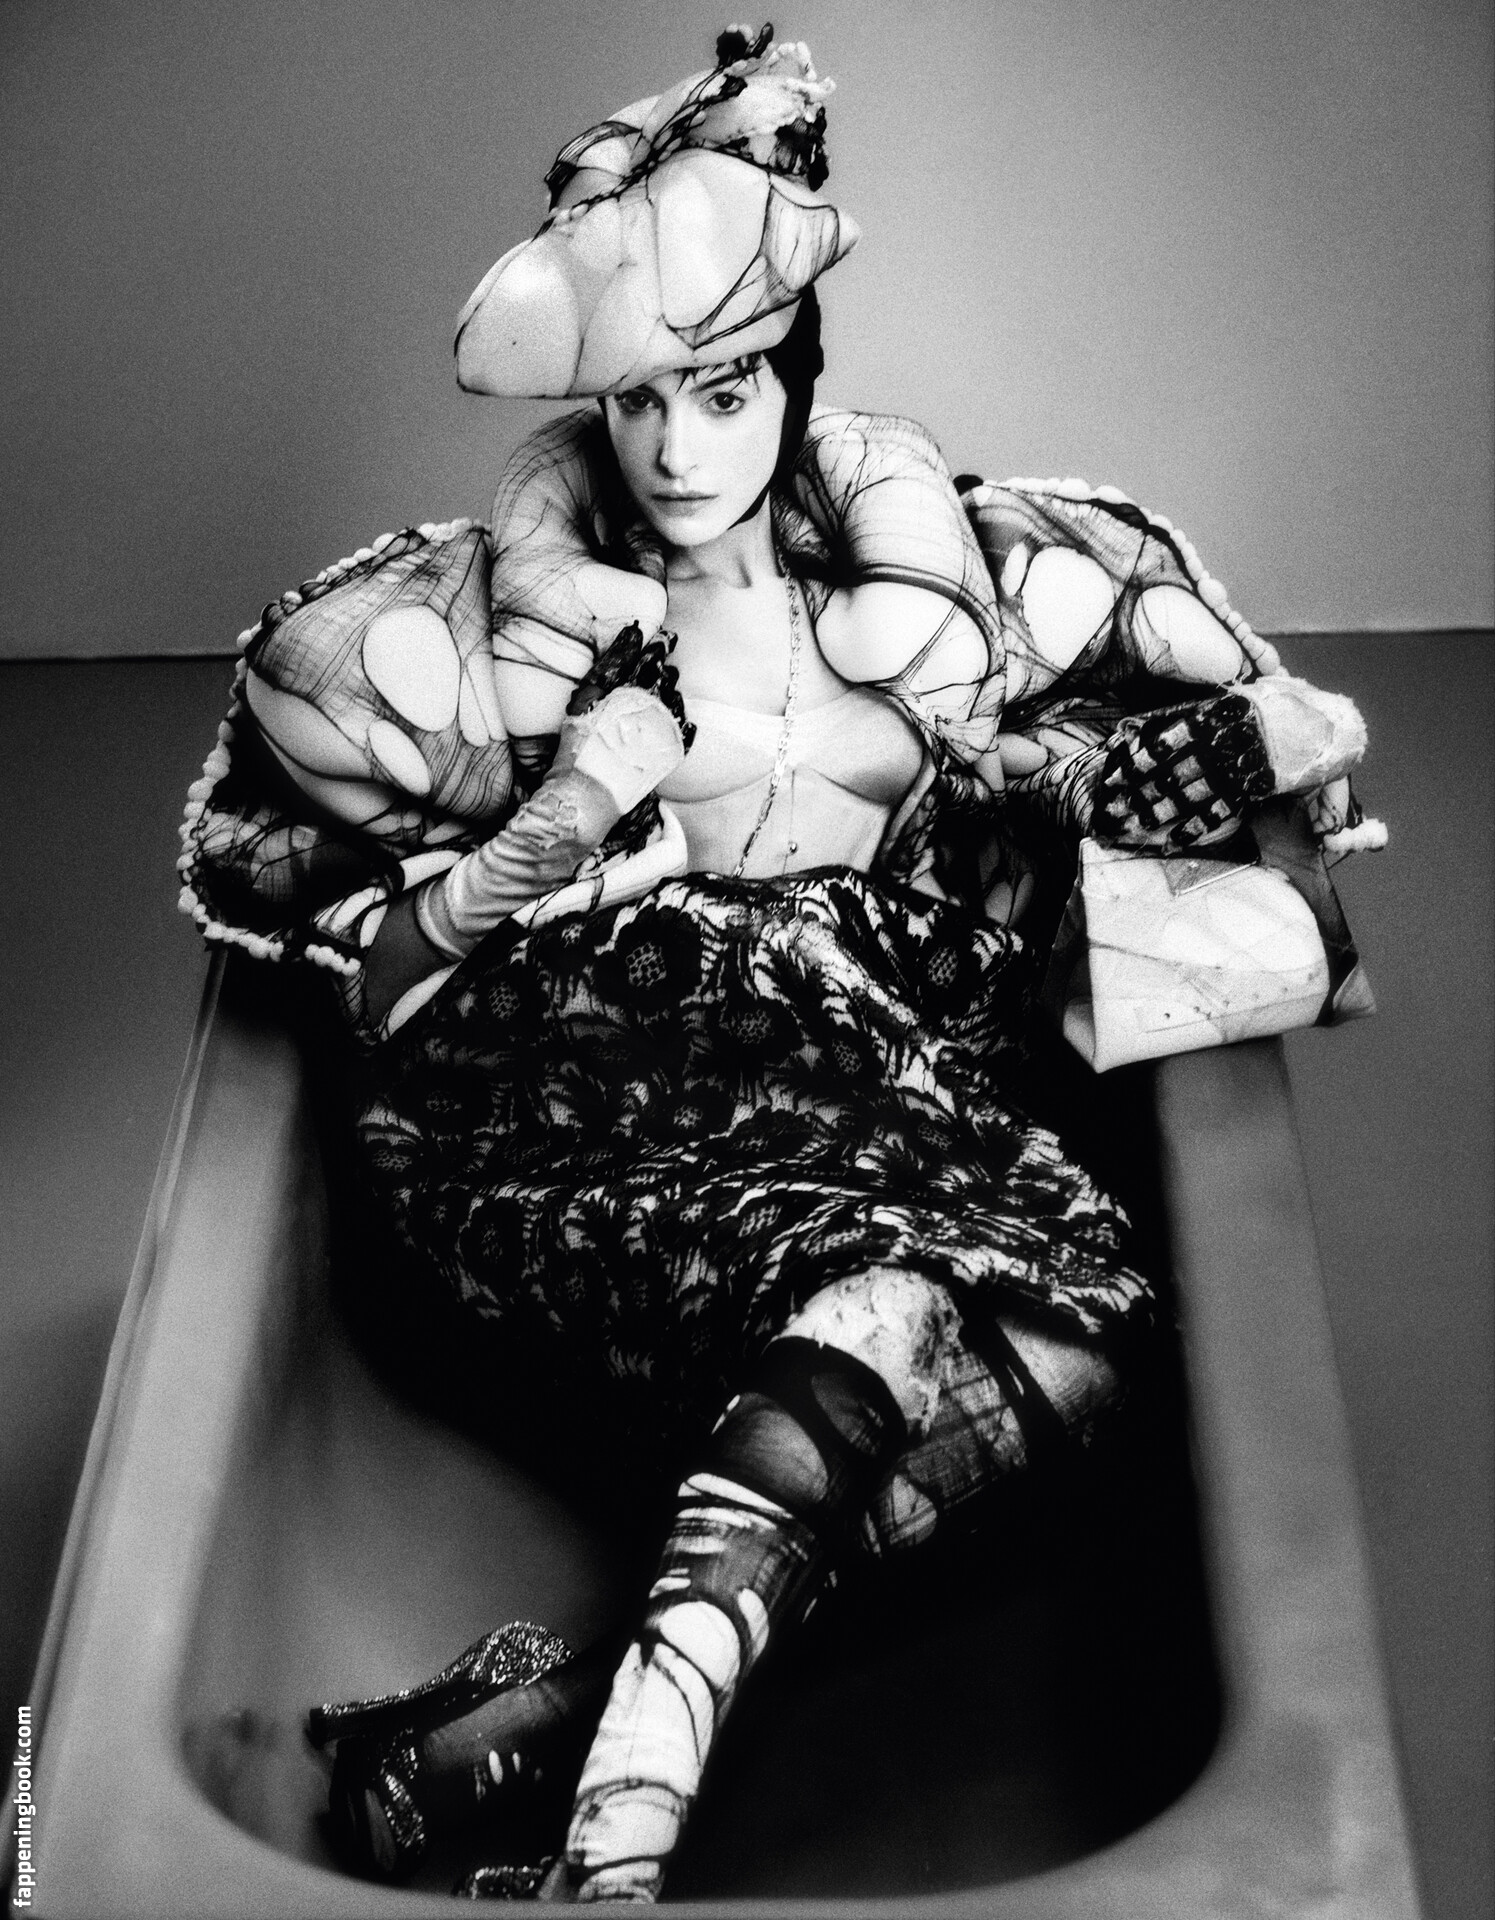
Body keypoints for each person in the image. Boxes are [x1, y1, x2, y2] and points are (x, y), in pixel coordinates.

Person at [179, 26, 1377, 1904]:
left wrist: (1164, 763)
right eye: (639, 403)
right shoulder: (495, 657)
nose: (677, 450)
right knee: (895, 1307)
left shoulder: (940, 604)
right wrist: (559, 824)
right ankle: (611, 1858)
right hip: (598, 1110)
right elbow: (379, 983)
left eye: (723, 392)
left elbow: (1239, 750)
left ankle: (539, 1723)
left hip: (871, 1105)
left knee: (1082, 1358)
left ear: (795, 381)